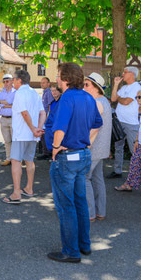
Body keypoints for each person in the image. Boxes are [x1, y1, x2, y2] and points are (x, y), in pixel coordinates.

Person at [47, 63, 103, 263]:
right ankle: (83, 245)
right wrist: (84, 141)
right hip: (83, 156)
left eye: (58, 75)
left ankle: (71, 251)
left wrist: (55, 147)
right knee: (80, 202)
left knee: (66, 205)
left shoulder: (67, 98)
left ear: (66, 78)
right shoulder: (89, 97)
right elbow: (98, 123)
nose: (56, 78)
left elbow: (59, 128)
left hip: (67, 157)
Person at [2, 70, 45, 204]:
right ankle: (29, 189)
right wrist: (39, 128)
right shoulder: (34, 93)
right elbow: (43, 113)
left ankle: (16, 193)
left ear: (19, 80)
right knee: (29, 161)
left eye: (14, 79)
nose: (13, 81)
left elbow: (24, 113)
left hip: (21, 133)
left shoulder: (19, 93)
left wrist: (33, 128)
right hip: (32, 135)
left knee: (15, 161)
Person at [114, 89, 141, 197]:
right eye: (136, 97)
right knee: (135, 163)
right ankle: (129, 184)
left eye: (139, 97)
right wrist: (137, 141)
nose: (137, 99)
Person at [83, 73, 112, 221]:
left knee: (84, 178)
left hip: (94, 147)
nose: (84, 87)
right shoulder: (104, 101)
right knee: (97, 178)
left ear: (96, 88)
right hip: (102, 148)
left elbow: (94, 128)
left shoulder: (97, 103)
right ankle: (101, 211)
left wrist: (85, 143)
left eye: (87, 85)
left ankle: (89, 213)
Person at [108, 66, 141, 179]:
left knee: (134, 149)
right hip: (120, 121)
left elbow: (127, 101)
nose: (123, 74)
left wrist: (119, 99)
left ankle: (140, 175)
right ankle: (117, 171)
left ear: (132, 74)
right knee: (118, 147)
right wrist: (116, 84)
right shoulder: (124, 87)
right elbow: (113, 98)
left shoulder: (137, 87)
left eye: (125, 72)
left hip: (131, 123)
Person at [0, 74, 16, 166]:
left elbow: (16, 105)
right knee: (7, 141)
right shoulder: (1, 92)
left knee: (15, 140)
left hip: (13, 119)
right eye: (4, 82)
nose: (5, 83)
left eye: (7, 81)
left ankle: (17, 159)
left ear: (12, 81)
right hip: (4, 119)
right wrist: (9, 104)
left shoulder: (16, 92)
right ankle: (8, 158)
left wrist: (4, 103)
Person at [37, 77, 54, 160]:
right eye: (41, 83)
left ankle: (47, 153)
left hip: (46, 117)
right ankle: (45, 152)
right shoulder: (44, 92)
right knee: (43, 135)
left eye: (44, 82)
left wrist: (47, 117)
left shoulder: (49, 92)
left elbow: (50, 105)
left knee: (45, 135)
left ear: (48, 84)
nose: (42, 84)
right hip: (43, 116)